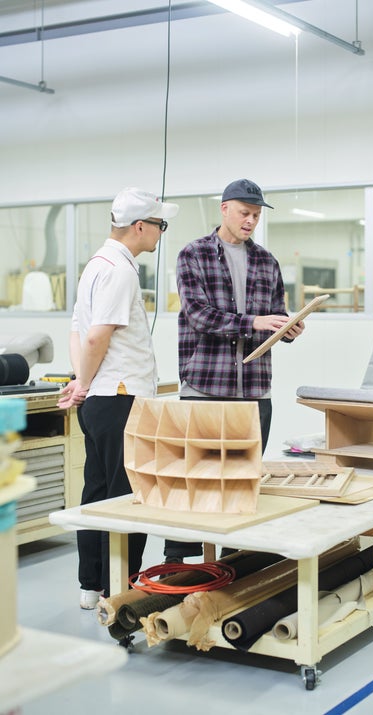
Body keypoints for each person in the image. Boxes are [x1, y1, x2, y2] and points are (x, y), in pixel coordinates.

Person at [163, 178, 304, 563]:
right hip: (205, 387)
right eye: (245, 213)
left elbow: (273, 315)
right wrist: (254, 322)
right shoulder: (194, 254)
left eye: (256, 215)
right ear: (224, 209)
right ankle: (178, 564)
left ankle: (234, 565)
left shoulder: (267, 262)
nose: (250, 221)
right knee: (195, 479)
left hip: (254, 392)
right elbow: (198, 315)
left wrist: (286, 328)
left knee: (242, 485)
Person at [57, 187, 179, 609]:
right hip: (121, 399)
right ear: (140, 226)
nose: (161, 232)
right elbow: (96, 336)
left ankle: (92, 586)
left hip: (102, 401)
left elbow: (77, 331)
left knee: (97, 493)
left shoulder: (96, 264)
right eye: (160, 225)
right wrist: (83, 382)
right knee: (129, 498)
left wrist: (82, 381)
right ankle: (120, 590)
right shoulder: (121, 272)